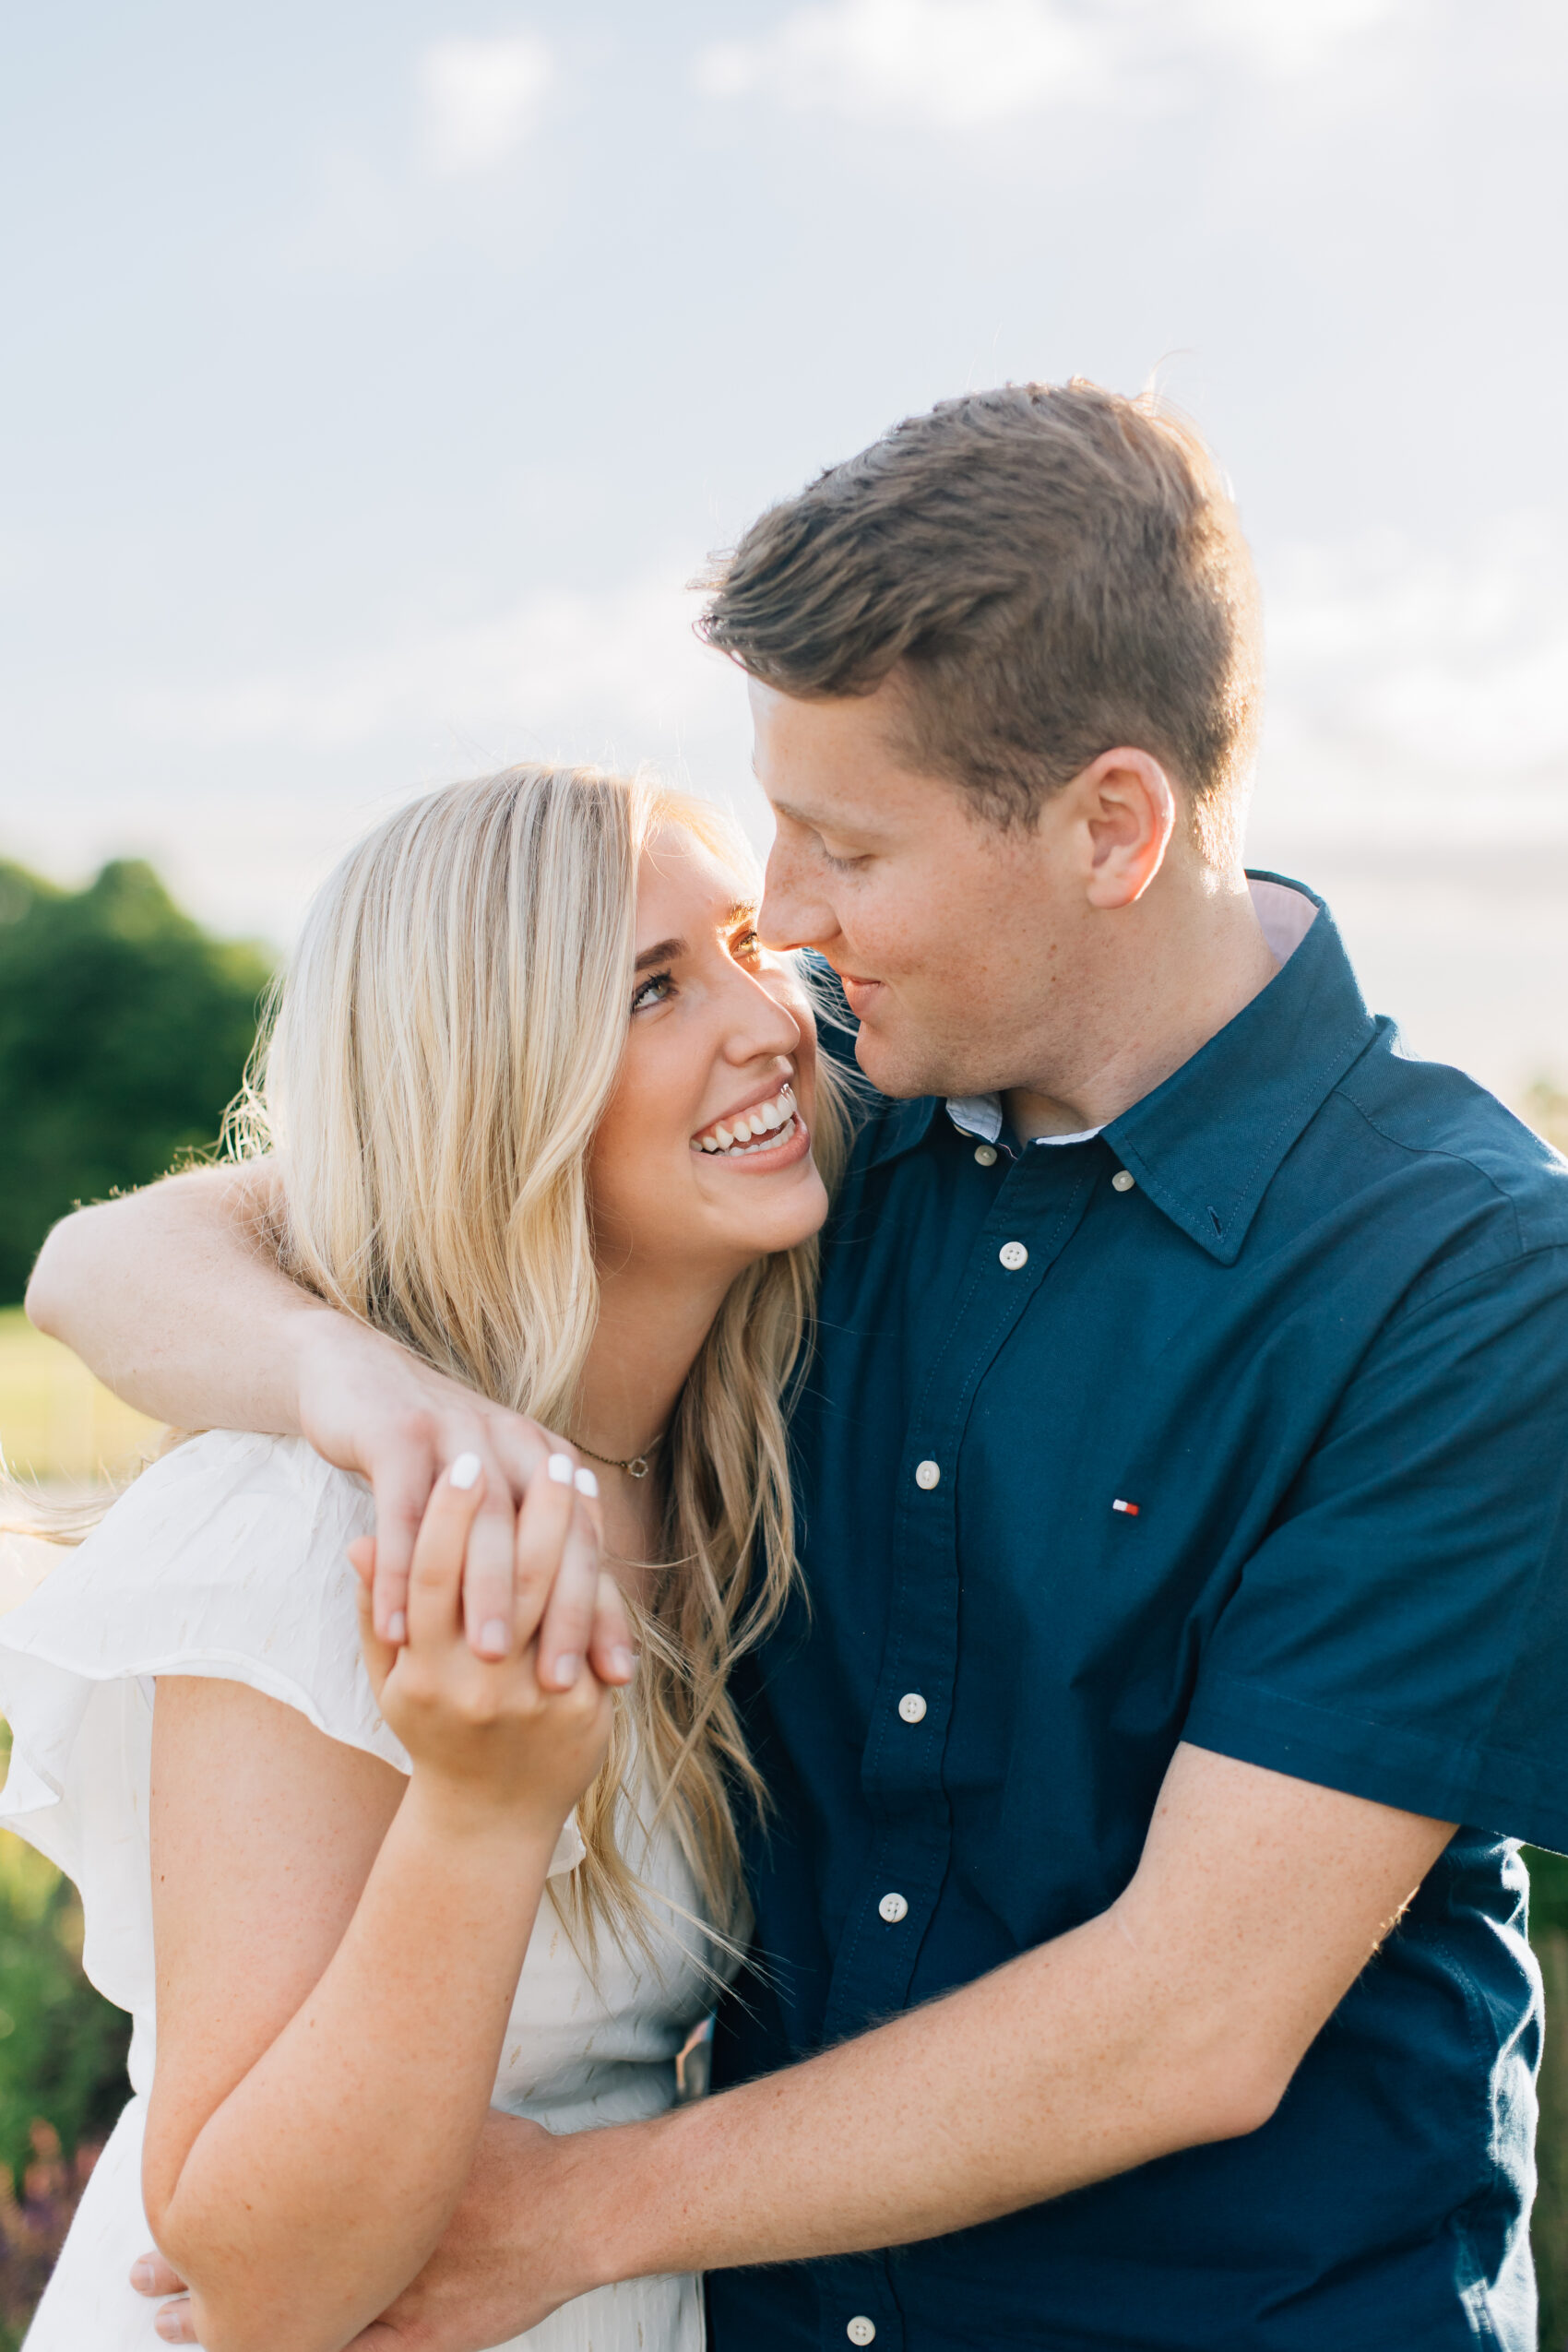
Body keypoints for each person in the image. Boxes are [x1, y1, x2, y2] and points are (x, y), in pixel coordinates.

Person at [30, 382, 1568, 2351]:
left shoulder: (1461, 1273)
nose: (789, 920)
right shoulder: (850, 1115)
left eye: (841, 844)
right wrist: (362, 1393)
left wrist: (588, 2213)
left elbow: (1190, 2017)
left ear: (1114, 827)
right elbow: (137, 1247)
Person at [1, 763, 852, 2351]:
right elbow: (258, 2287)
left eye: (749, 942)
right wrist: (488, 1806)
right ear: (496, 1085)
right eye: (655, 988)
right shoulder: (324, 1527)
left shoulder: (714, 1451)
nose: (769, 1018)